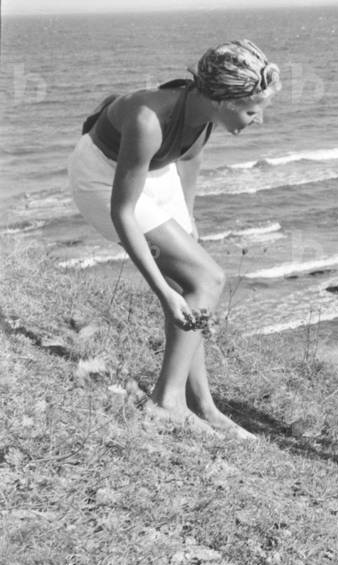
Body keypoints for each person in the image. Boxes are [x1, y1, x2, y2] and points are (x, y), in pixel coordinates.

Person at [67, 40, 281, 439]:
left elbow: (189, 161)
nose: (259, 120)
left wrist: (189, 222)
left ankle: (202, 406)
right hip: (101, 176)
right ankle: (167, 404)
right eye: (253, 111)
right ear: (223, 100)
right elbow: (123, 213)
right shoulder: (149, 120)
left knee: (196, 280)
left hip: (155, 169)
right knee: (208, 279)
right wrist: (163, 290)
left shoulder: (203, 112)